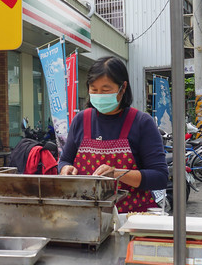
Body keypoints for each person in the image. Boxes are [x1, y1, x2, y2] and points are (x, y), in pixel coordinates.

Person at [59, 56, 168, 213]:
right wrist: (65, 169)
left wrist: (117, 173)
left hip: (132, 217)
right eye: (94, 89)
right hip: (86, 215)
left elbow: (159, 177)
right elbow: (64, 160)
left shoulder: (142, 122)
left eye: (105, 90)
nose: (99, 94)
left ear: (123, 88)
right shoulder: (81, 120)